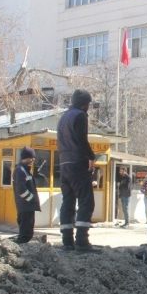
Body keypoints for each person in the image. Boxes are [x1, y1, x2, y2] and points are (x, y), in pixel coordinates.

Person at [57, 89, 96, 251]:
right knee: (86, 200)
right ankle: (82, 240)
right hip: (77, 163)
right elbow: (81, 139)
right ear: (85, 104)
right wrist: (91, 156)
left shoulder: (63, 117)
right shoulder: (80, 115)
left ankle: (67, 241)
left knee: (68, 201)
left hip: (64, 164)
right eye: (88, 104)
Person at [12, 147, 41, 244]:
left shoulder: (24, 170)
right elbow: (21, 190)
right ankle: (21, 248)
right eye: (32, 157)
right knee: (25, 231)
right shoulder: (20, 170)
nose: (33, 160)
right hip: (26, 206)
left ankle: (22, 246)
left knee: (27, 230)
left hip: (27, 206)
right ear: (26, 157)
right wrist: (32, 199)